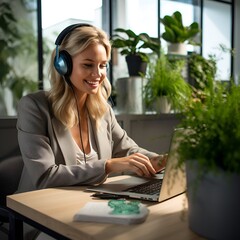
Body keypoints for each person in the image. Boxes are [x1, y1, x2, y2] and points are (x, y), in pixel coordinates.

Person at [16, 23, 167, 239]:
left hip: (89, 208)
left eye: (103, 65)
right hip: (41, 218)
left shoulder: (102, 109)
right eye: (88, 65)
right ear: (63, 64)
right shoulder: (34, 107)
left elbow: (128, 149)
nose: (98, 74)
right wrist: (107, 165)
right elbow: (45, 176)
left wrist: (164, 161)